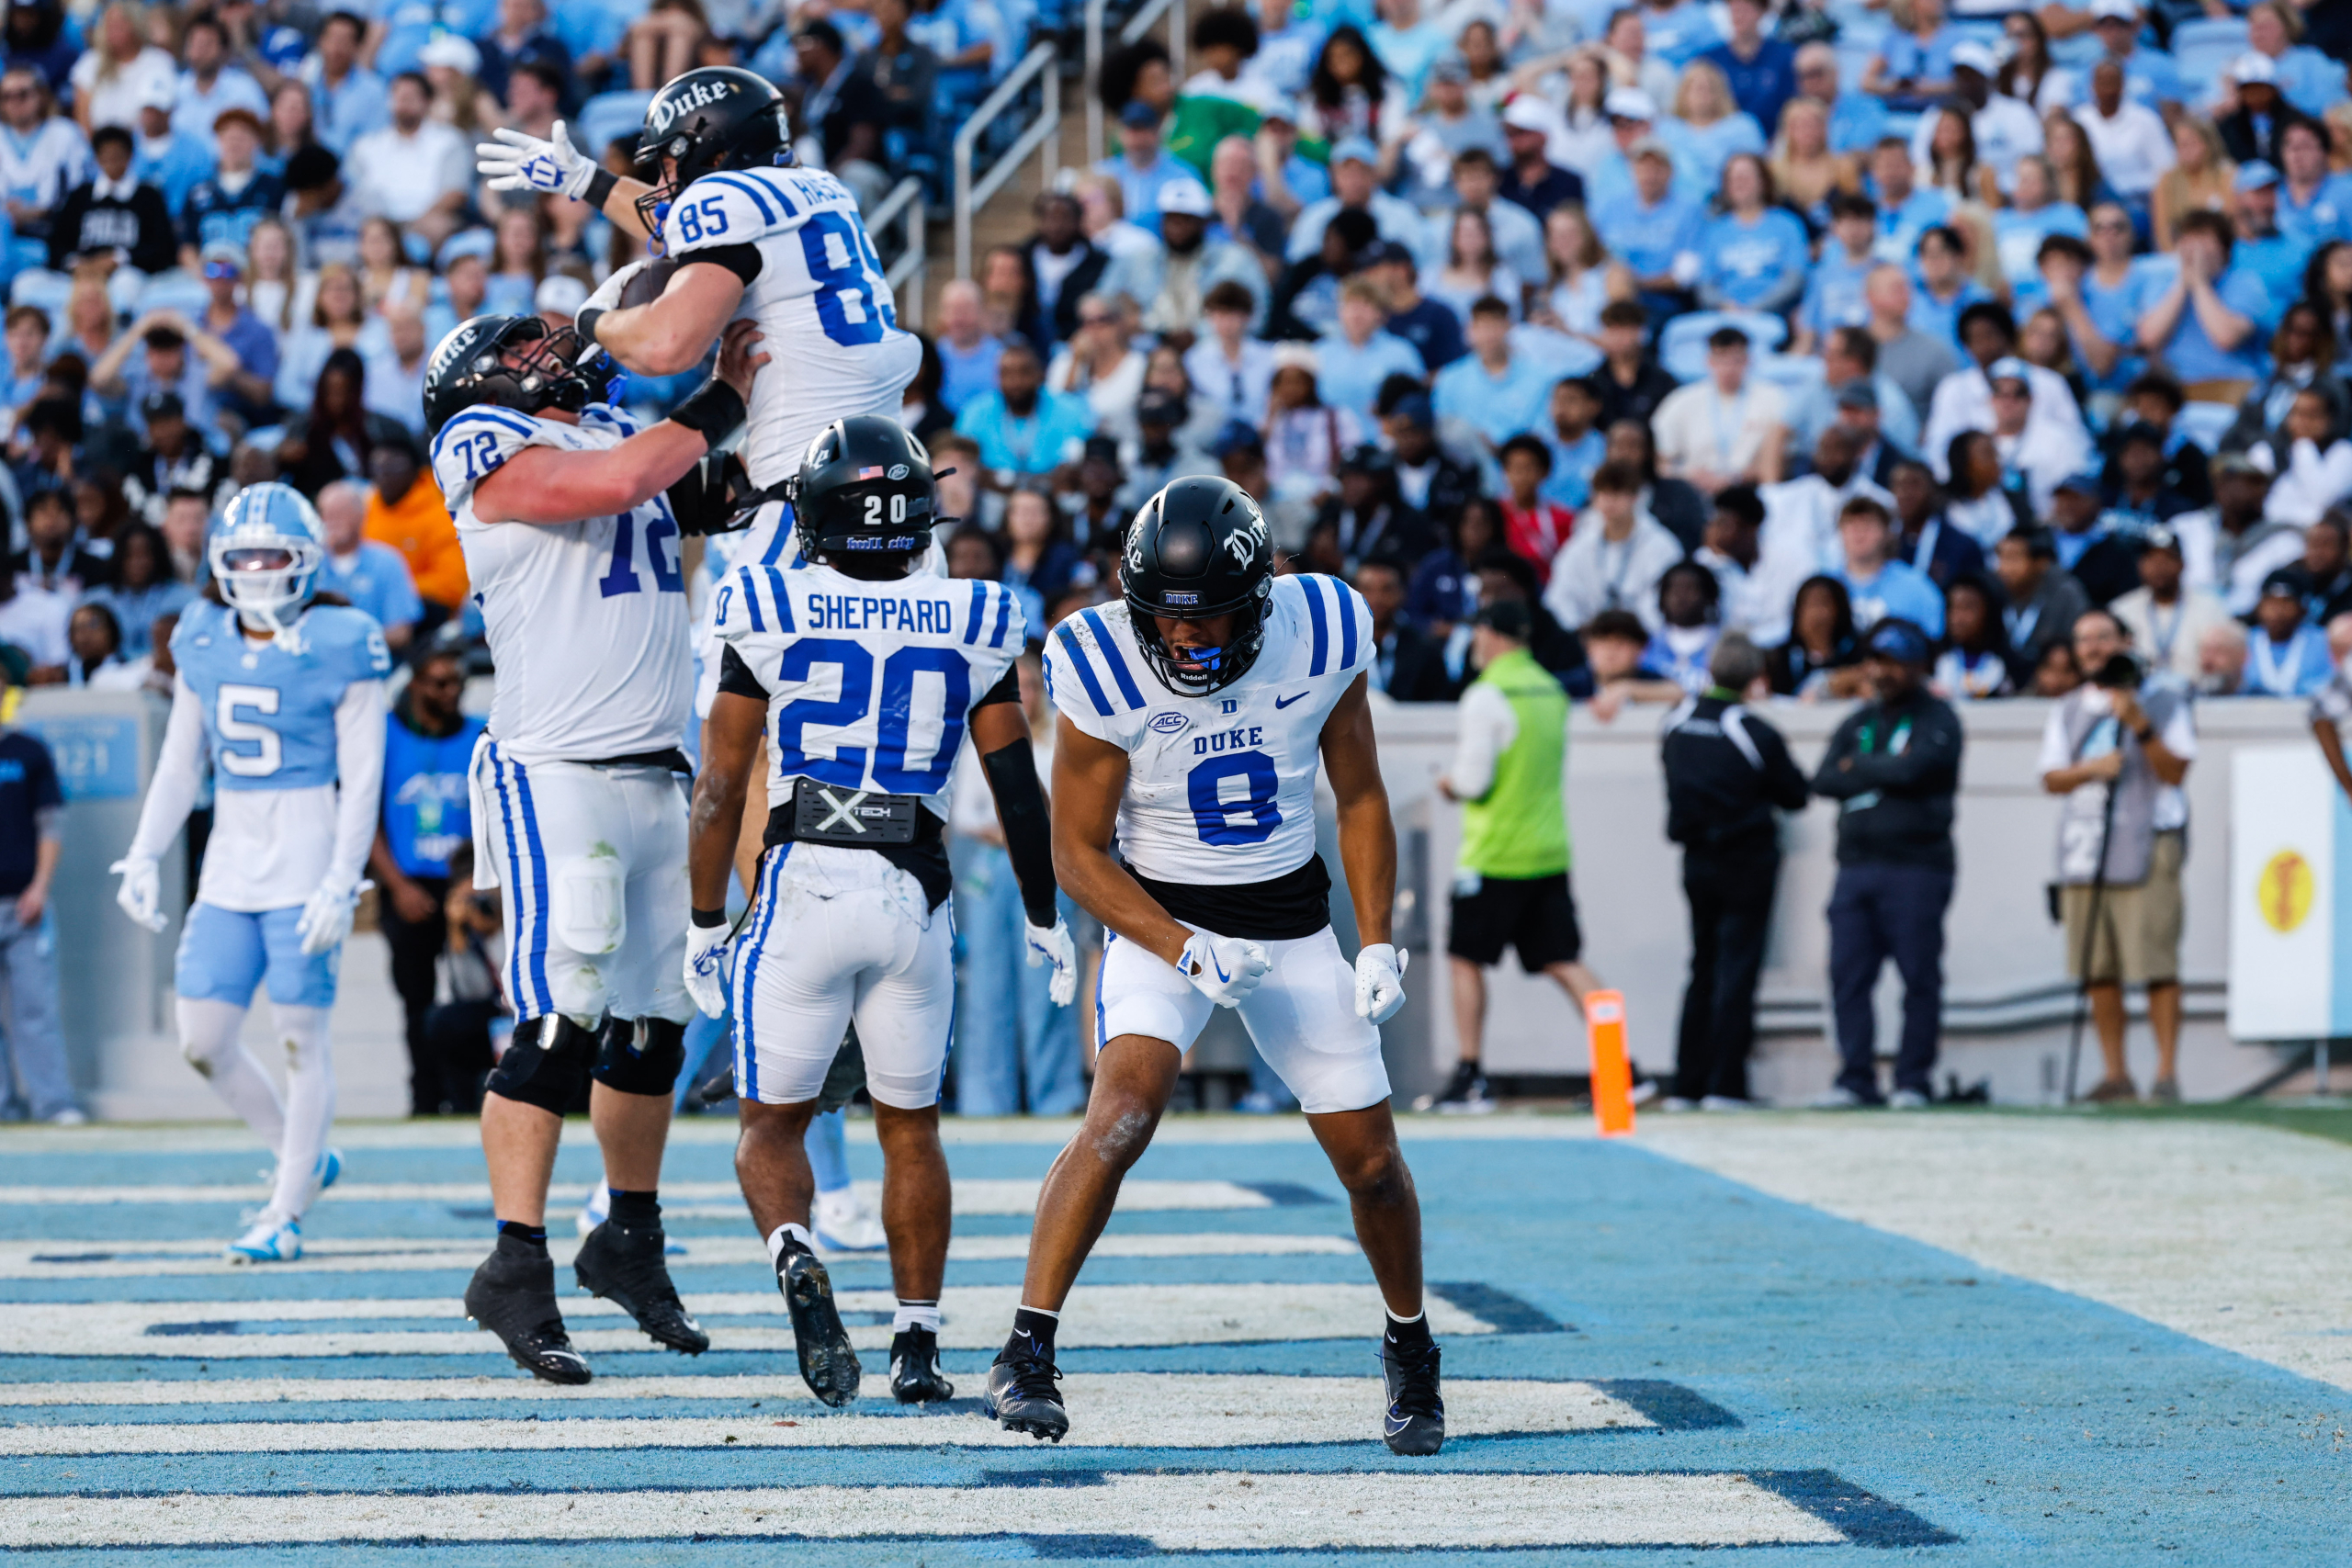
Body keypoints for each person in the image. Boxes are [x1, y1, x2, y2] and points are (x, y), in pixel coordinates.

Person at [992, 478, 1441, 1457]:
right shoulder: (1101, 657)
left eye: (1215, 620)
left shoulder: (1321, 625)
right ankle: (1027, 1351)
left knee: (1370, 1166)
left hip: (1287, 922)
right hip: (1164, 920)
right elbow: (1077, 852)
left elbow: (1359, 794)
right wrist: (1181, 944)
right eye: (1170, 623)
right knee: (1120, 1116)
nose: (1189, 644)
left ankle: (1410, 1347)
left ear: (1264, 594)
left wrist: (1373, 939)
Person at [691, 419, 1075, 1407]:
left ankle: (792, 1255)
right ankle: (917, 1342)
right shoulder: (974, 614)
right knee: (912, 1128)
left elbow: (719, 785)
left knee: (768, 1128)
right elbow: (1017, 786)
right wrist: (1043, 913)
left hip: (803, 884)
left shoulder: (765, 599)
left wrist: (702, 920)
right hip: (914, 893)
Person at [424, 310, 767, 1382]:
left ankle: (629, 1237)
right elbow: (613, 485)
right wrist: (719, 400)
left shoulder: (616, 425)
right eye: (519, 350)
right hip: (554, 771)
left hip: (653, 767)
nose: (545, 353)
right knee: (562, 1010)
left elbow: (697, 491)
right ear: (481, 381)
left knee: (657, 1023)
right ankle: (514, 1266)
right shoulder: (476, 439)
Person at [484, 68, 922, 566]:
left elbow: (665, 346)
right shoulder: (819, 188)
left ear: (713, 153)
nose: (663, 181)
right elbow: (681, 223)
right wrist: (588, 180)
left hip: (806, 497)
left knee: (742, 637)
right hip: (888, 486)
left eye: (669, 161)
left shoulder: (722, 200)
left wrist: (594, 320)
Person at [109, 484, 390, 1257]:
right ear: (218, 563)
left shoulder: (343, 635)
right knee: (202, 1038)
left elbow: (363, 775)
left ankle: (285, 1210)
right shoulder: (201, 630)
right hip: (231, 858)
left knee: (303, 1040)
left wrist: (341, 876)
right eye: (245, 556)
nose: (261, 570)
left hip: (306, 850)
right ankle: (304, 1155)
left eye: (276, 555)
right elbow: (179, 760)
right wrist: (144, 850)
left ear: (306, 561)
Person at [1429, 594, 1613, 1111]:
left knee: (1464, 959)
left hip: (1494, 853)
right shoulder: (1550, 690)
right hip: (1547, 850)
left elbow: (1473, 779)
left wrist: (1446, 784)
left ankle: (1470, 1076)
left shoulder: (1487, 695)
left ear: (1492, 635)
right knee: (1566, 962)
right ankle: (1619, 1069)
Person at [2040, 607, 2194, 1104]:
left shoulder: (2164, 697)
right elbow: (2050, 778)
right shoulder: (2068, 706)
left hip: (2149, 841)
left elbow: (2175, 771)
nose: (2092, 648)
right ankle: (2116, 1073)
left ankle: (2166, 1073)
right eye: (2083, 640)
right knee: (2097, 965)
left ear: (2124, 641)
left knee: (2155, 960)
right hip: (2087, 845)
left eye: (2103, 638)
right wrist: (2089, 770)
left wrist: (2139, 724)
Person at [1807, 617, 1962, 1109]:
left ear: (1917, 666)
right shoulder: (1858, 721)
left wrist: (1864, 770)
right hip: (1855, 866)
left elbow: (1917, 769)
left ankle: (1913, 1079)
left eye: (1894, 662)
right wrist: (1883, 774)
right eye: (1876, 660)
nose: (1882, 671)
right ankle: (1856, 1078)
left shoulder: (1939, 719)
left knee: (1919, 976)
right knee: (1848, 977)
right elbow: (1826, 779)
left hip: (1917, 865)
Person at [1660, 632, 1807, 1110]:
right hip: (1746, 859)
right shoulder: (1752, 728)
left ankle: (1687, 1083)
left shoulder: (1675, 722)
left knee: (1701, 965)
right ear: (1755, 678)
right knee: (1736, 968)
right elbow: (1795, 793)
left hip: (1695, 858)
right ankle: (1725, 1085)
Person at [367, 644, 483, 1116]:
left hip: (467, 888)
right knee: (415, 1000)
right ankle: (424, 1096)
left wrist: (476, 879)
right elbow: (365, 819)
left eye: (456, 682)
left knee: (473, 996)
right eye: (439, 683)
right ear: (415, 685)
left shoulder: (479, 736)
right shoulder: (386, 736)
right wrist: (397, 885)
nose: (451, 691)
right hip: (408, 885)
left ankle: (467, 1094)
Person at [0, 675, 72, 1122]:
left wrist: (40, 886)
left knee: (35, 1010)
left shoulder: (28, 751)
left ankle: (54, 1102)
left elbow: (50, 825)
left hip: (23, 902)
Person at [1544, 459, 1684, 635]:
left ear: (1635, 498)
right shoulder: (1580, 544)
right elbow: (1560, 596)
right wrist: (1578, 629)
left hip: (1640, 638)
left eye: (1617, 494)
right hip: (1588, 637)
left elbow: (1660, 606)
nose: (1609, 502)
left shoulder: (1662, 546)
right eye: (1602, 494)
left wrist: (1627, 633)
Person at [1650, 326, 1786, 492]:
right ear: (1709, 361)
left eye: (1736, 360)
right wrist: (1686, 475)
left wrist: (1741, 477)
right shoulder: (1682, 401)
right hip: (1694, 490)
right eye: (1722, 359)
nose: (1729, 369)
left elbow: (1783, 457)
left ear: (1748, 360)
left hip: (1750, 490)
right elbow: (1661, 459)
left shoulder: (1772, 398)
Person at [313, 480, 423, 650]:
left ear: (361, 515)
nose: (332, 520)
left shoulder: (387, 562)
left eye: (341, 512)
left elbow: (401, 633)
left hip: (376, 668)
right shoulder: (309, 564)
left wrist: (350, 642)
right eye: (326, 513)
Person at [2243, 570, 2333, 696]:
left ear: (2303, 609)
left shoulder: (2324, 643)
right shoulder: (2243, 642)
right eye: (2270, 602)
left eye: (2286, 602)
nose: (2277, 611)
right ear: (2258, 606)